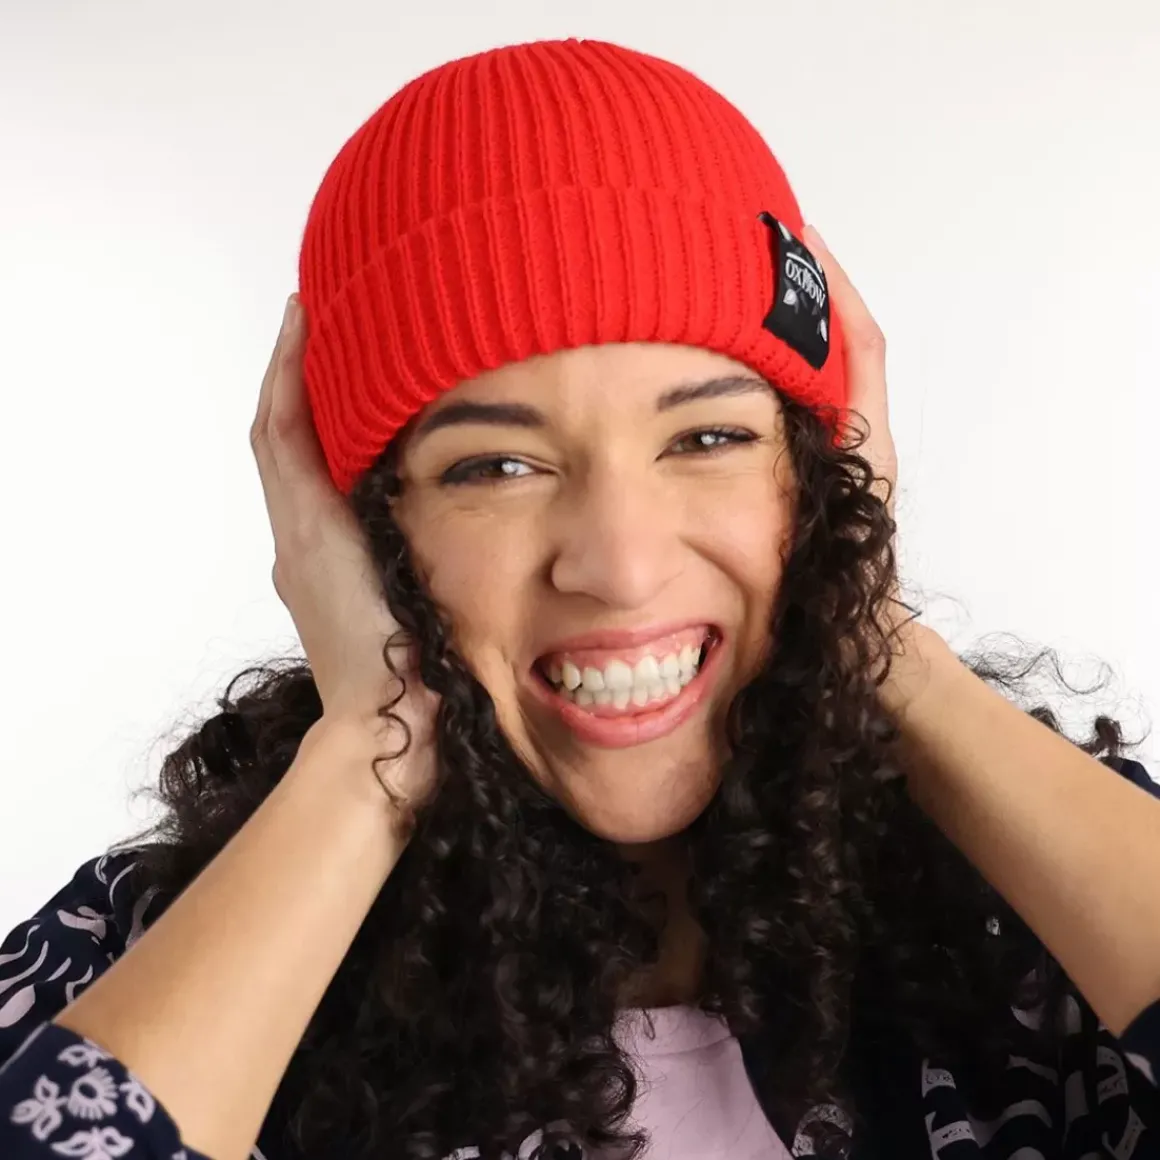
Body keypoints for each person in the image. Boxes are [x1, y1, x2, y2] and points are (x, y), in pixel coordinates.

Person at [1, 36, 1157, 1160]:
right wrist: (372, 751)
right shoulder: (150, 952)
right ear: (360, 531)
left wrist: (874, 641)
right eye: (494, 465)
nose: (621, 564)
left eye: (707, 437)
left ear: (815, 476)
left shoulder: (1029, 926)